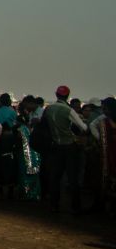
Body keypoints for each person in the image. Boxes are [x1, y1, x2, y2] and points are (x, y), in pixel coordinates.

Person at [42, 85, 87, 213]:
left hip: (56, 145)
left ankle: (54, 204)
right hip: (69, 146)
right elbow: (83, 127)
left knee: (55, 177)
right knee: (73, 178)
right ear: (67, 96)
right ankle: (75, 206)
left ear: (56, 95)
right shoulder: (68, 110)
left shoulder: (49, 109)